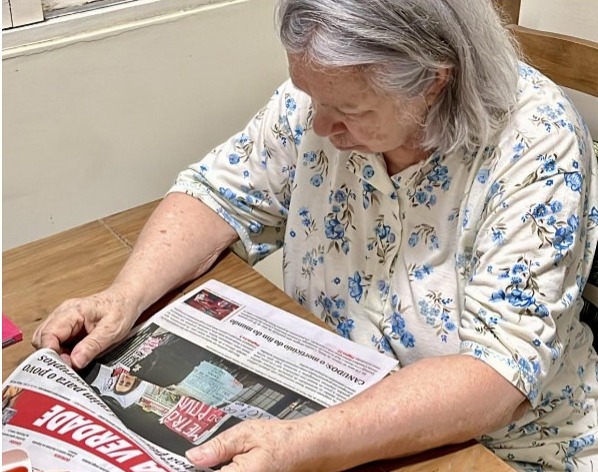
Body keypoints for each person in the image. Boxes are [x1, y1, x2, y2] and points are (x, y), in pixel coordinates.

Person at [32, 0, 598, 470]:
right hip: (335, 402)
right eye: (312, 99)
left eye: (349, 110)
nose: (320, 126)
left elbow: (499, 374)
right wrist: (122, 296)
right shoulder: (320, 103)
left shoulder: (536, 144)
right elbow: (220, 192)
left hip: (502, 450)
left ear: (432, 81)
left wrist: (306, 443)